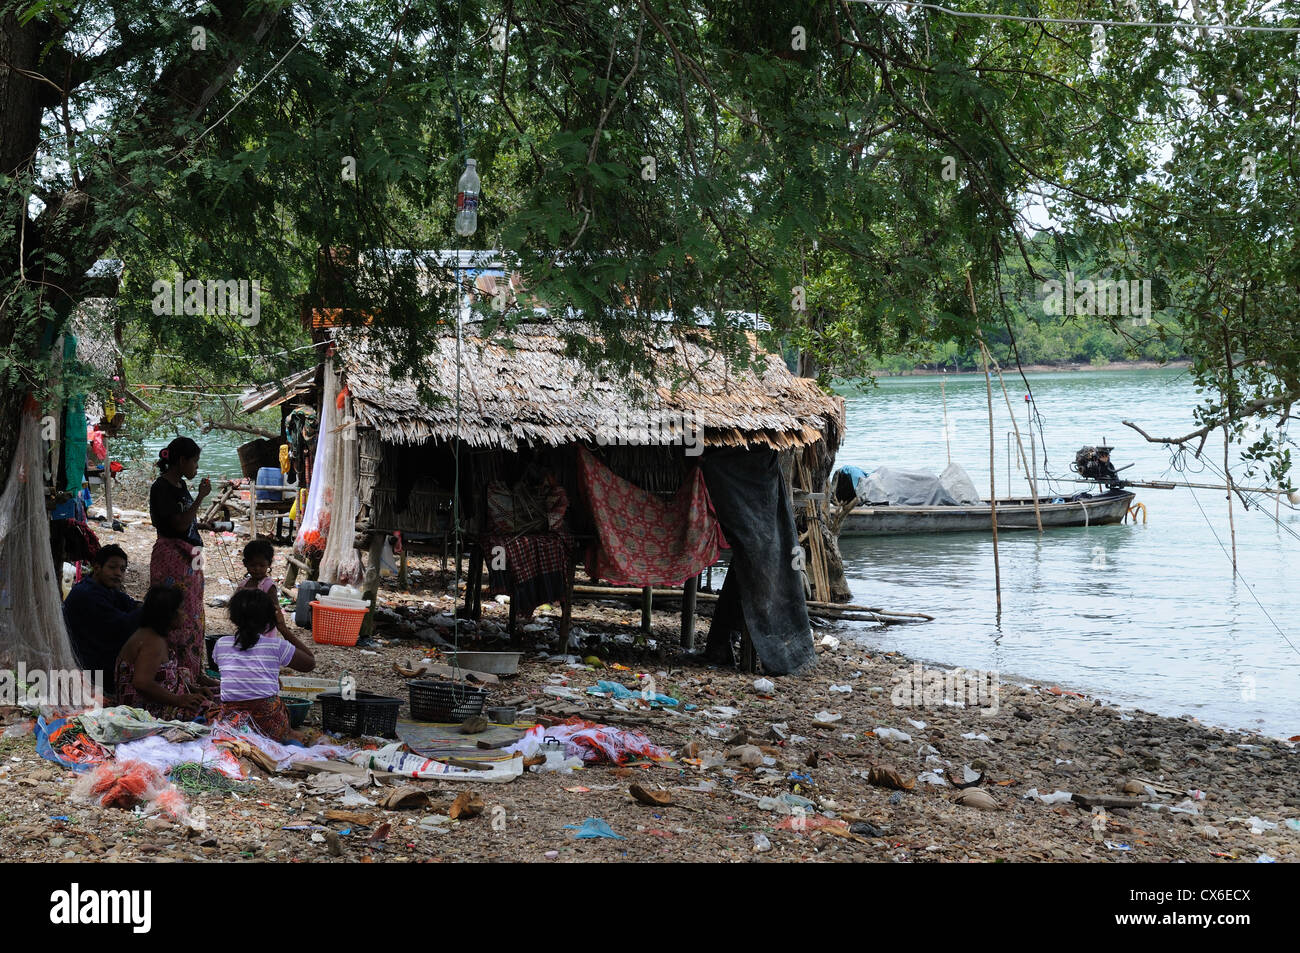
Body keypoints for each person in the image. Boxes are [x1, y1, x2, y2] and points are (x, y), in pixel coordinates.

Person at [148, 436, 216, 690]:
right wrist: (200, 498)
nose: (196, 467)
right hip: (173, 557)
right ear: (182, 460)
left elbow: (187, 522)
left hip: (192, 555)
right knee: (179, 615)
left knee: (196, 613)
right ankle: (180, 674)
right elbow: (177, 524)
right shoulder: (161, 488)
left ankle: (195, 671)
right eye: (195, 461)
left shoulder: (179, 486)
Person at [213, 588, 315, 742]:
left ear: (233, 618)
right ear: (269, 620)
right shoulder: (276, 646)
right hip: (270, 727)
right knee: (274, 704)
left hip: (232, 726)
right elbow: (309, 663)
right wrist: (284, 629)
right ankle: (288, 733)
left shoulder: (221, 644)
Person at [115, 586, 213, 720]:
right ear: (169, 614)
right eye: (181, 609)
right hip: (144, 711)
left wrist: (192, 689)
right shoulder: (152, 642)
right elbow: (141, 683)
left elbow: (163, 678)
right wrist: (178, 700)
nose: (185, 614)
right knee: (210, 711)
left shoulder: (154, 636)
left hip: (159, 702)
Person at [63, 544, 140, 699]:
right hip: (89, 669)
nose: (118, 573)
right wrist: (152, 608)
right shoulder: (87, 594)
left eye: (122, 569)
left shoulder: (105, 589)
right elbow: (124, 625)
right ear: (97, 568)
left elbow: (130, 604)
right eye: (112, 567)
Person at [238, 539, 294, 639]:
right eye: (253, 565)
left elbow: (275, 609)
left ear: (269, 564)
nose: (257, 568)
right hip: (246, 628)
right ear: (245, 563)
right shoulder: (243, 584)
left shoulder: (268, 585)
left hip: (264, 630)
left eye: (261, 565)